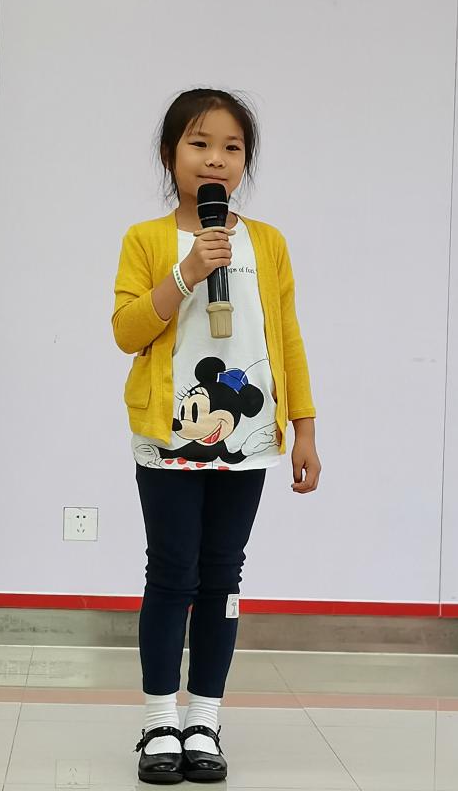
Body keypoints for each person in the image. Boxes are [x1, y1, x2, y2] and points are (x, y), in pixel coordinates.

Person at [111, 88, 321, 784]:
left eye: (232, 148)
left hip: (250, 436)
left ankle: (204, 717)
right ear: (169, 154)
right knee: (171, 574)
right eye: (199, 144)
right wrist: (186, 272)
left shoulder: (268, 243)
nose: (215, 159)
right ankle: (158, 721)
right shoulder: (146, 239)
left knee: (223, 576)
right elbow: (127, 332)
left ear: (245, 162)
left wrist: (304, 429)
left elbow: (288, 339)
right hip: (168, 436)